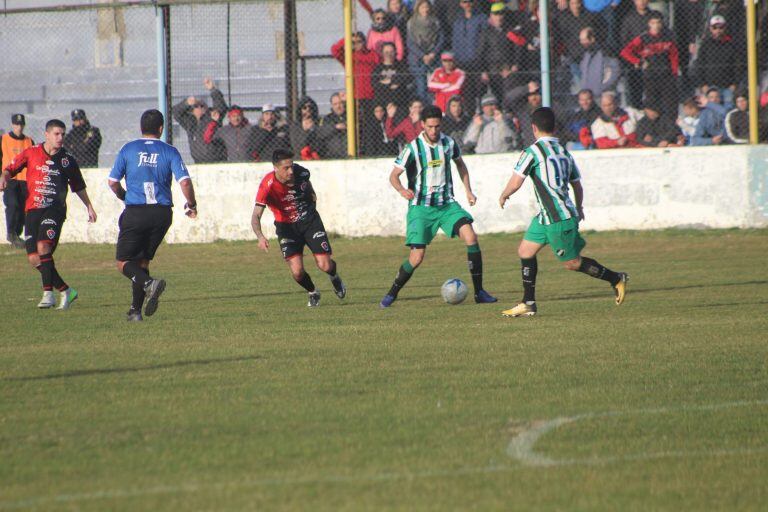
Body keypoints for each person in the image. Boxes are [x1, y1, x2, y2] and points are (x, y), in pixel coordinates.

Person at [498, 107, 628, 317]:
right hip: (547, 216)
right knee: (525, 251)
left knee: (573, 263)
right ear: (554, 127)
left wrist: (504, 195)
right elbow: (577, 184)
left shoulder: (532, 152)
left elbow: (516, 181)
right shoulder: (563, 151)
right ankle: (528, 303)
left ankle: (616, 278)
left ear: (533, 128)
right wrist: (579, 207)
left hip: (558, 219)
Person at [379, 105, 497, 308]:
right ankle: (392, 293)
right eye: (430, 127)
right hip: (421, 208)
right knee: (416, 258)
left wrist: (468, 190)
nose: (434, 131)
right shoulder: (413, 148)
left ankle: (479, 292)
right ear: (423, 125)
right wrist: (401, 190)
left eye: (437, 126)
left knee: (471, 237)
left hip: (447, 205)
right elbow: (393, 176)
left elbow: (461, 165)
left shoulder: (449, 143)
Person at [107, 109, 197, 322]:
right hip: (161, 214)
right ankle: (135, 311)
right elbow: (184, 181)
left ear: (141, 127)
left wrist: (125, 196)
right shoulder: (170, 151)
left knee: (123, 263)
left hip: (136, 211)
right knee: (142, 263)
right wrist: (191, 203)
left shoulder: (128, 149)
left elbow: (112, 182)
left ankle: (149, 284)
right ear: (161, 128)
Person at [0, 119, 97, 310]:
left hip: (55, 210)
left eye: (62, 134)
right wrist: (4, 176)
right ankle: (66, 291)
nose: (60, 138)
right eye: (56, 134)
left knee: (44, 246)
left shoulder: (67, 159)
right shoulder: (31, 152)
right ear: (47, 134)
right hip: (33, 210)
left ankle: (48, 294)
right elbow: (10, 169)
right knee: (34, 258)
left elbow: (78, 186)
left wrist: (89, 206)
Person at [251, 149, 346, 307]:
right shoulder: (267, 186)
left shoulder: (302, 173)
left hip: (309, 222)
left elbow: (309, 189)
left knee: (325, 265)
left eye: (291, 166)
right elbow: (255, 216)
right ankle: (313, 292)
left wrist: (312, 201)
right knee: (297, 272)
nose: (291, 171)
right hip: (286, 228)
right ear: (275, 168)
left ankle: (334, 277)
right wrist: (260, 236)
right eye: (286, 168)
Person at [619, 11, 679, 118]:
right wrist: (638, 61)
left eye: (658, 22)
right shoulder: (643, 38)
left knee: (670, 106)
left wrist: (674, 73)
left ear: (662, 23)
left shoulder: (668, 37)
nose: (656, 26)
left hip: (667, 75)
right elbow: (625, 52)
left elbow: (674, 55)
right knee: (653, 106)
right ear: (649, 24)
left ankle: (669, 127)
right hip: (650, 76)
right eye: (653, 22)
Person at [171, 77, 227, 163]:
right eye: (196, 106)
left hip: (216, 161)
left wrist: (213, 90)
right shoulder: (190, 123)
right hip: (198, 162)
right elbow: (175, 112)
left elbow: (221, 107)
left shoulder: (211, 117)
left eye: (202, 106)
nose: (200, 108)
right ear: (192, 111)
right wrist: (186, 103)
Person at [693, 15, 740, 110]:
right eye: (715, 27)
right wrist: (702, 84)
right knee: (710, 111)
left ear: (725, 28)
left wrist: (734, 84)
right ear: (710, 28)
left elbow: (737, 66)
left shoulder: (731, 44)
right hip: (709, 87)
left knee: (727, 110)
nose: (718, 30)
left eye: (721, 27)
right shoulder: (705, 44)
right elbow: (699, 65)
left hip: (727, 86)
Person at [1, 114, 34, 248]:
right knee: (12, 205)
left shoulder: (29, 141)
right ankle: (11, 233)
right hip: (10, 179)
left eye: (21, 125)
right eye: (16, 125)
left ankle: (17, 235)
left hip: (25, 180)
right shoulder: (3, 139)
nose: (19, 127)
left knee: (23, 209)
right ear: (12, 125)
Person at [406, 0, 444, 102]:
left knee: (434, 87)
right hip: (418, 60)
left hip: (433, 59)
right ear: (418, 8)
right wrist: (423, 56)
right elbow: (410, 43)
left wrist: (433, 54)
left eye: (427, 7)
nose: (425, 9)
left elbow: (441, 39)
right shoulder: (411, 23)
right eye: (422, 7)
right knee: (421, 88)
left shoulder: (435, 21)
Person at [578, 27, 620, 98]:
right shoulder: (586, 54)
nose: (582, 42)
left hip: (602, 95)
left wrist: (601, 88)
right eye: (581, 40)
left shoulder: (606, 52)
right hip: (588, 96)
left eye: (584, 40)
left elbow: (615, 71)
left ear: (592, 39)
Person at [372, 42, 413, 110]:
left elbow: (407, 79)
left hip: (399, 102)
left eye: (391, 52)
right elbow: (375, 84)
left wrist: (387, 81)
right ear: (382, 53)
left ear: (395, 52)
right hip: (382, 101)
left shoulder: (401, 66)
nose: (389, 55)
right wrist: (394, 82)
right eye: (386, 52)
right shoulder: (378, 68)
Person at [319, 92, 348, 159]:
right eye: (335, 104)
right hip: (332, 156)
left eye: (340, 103)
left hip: (349, 155)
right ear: (332, 105)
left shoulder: (351, 116)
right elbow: (321, 133)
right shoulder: (327, 119)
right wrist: (335, 127)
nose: (338, 106)